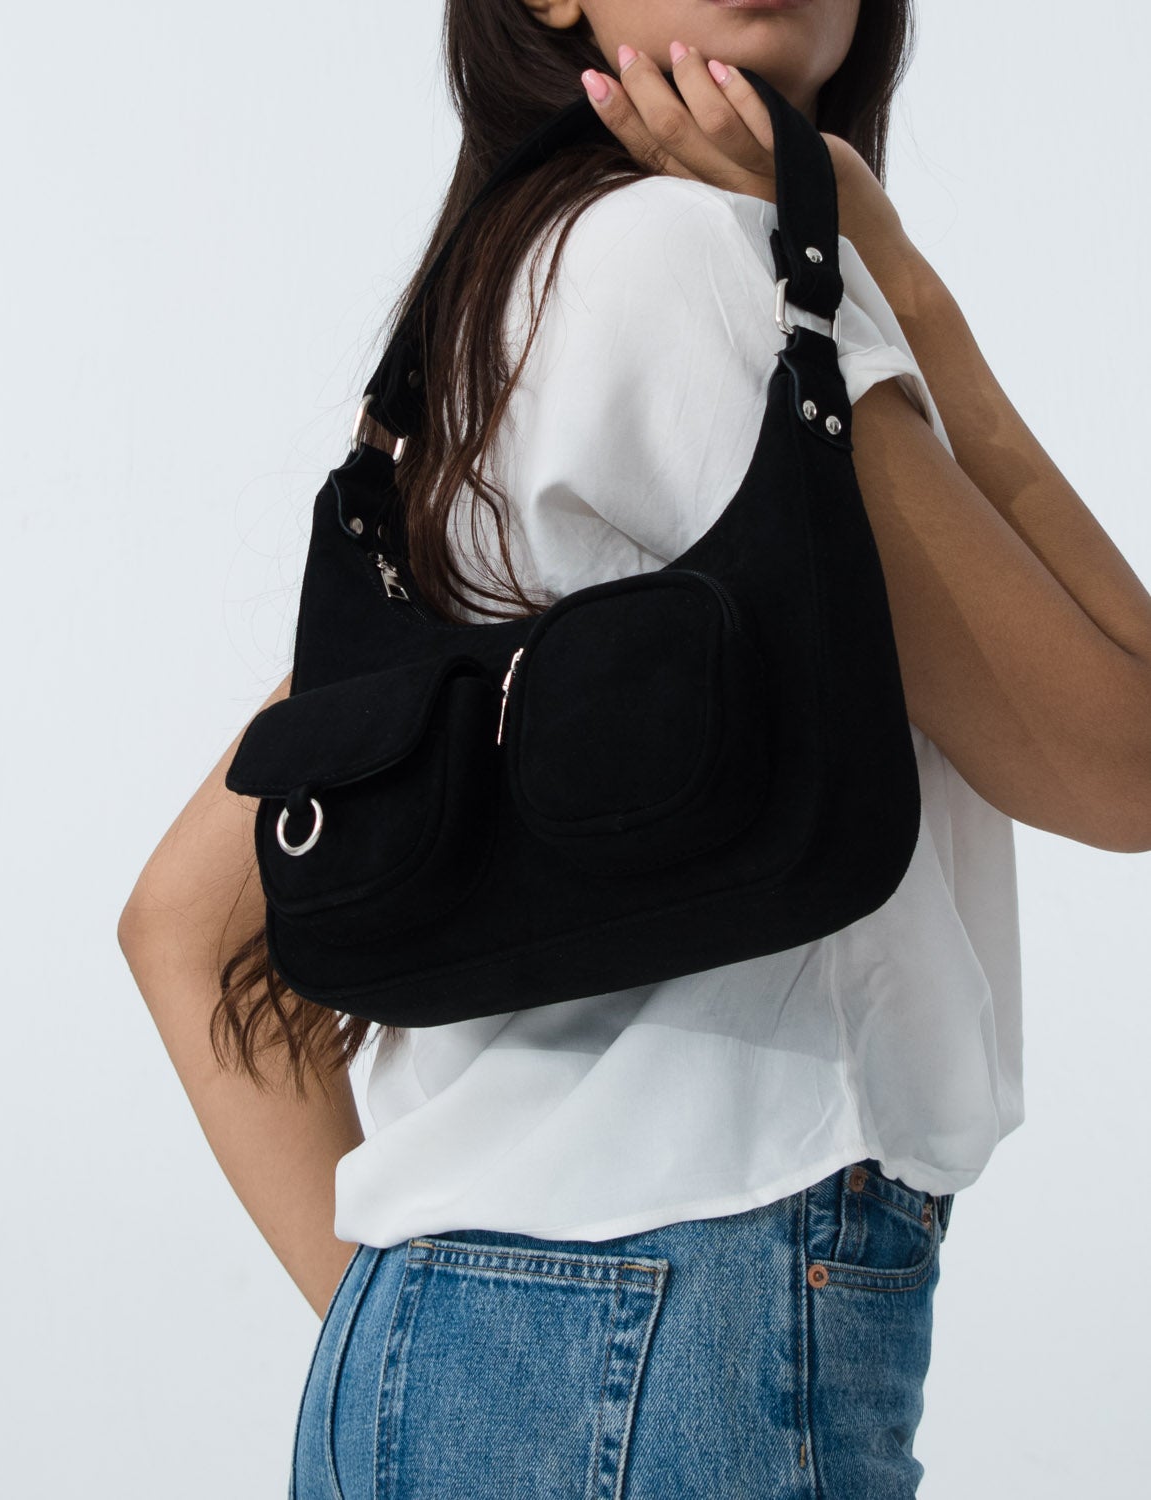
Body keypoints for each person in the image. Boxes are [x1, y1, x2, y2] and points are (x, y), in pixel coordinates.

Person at [118, 3, 1151, 1495]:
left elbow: (183, 918)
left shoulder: (509, 312)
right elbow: (1125, 764)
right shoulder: (697, 264)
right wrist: (908, 293)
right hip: (686, 1339)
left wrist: (451, 1345)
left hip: (427, 1377)